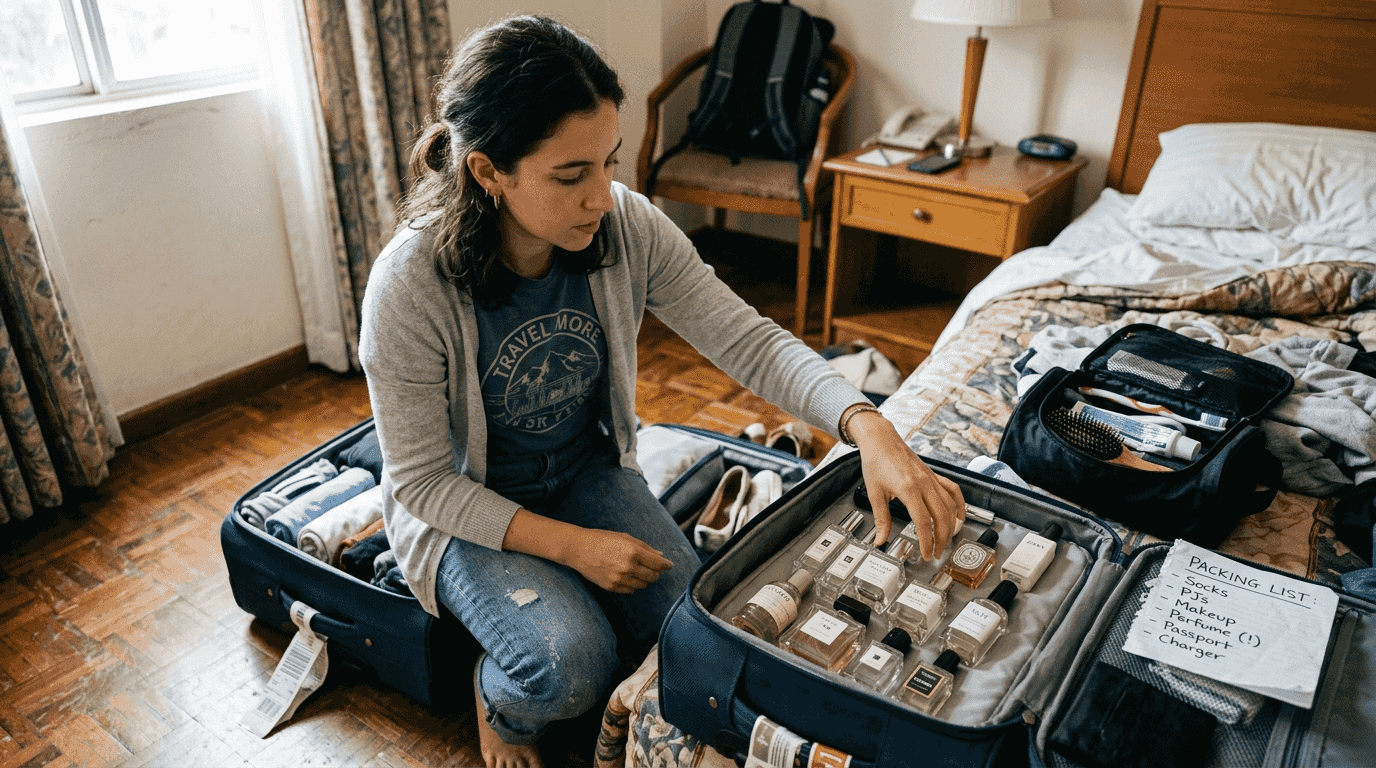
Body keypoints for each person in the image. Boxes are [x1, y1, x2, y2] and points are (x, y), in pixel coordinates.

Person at [359, 15, 964, 768]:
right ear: (488, 172)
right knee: (569, 665)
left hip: (583, 474)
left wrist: (867, 425)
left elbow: (748, 338)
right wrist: (576, 549)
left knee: (693, 627)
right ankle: (502, 703)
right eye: (571, 175)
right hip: (466, 513)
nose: (602, 196)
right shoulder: (409, 285)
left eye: (608, 162)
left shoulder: (626, 227)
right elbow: (423, 484)